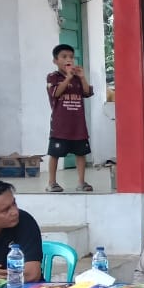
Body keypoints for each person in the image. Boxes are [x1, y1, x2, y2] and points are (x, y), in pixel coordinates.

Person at [46, 42, 94, 192]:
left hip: (78, 124)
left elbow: (87, 92)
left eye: (71, 57)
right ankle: (52, 183)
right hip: (60, 125)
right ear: (55, 61)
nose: (69, 59)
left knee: (81, 153)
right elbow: (56, 93)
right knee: (55, 154)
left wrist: (82, 77)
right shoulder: (53, 77)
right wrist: (67, 78)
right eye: (64, 56)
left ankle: (81, 182)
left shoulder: (78, 77)